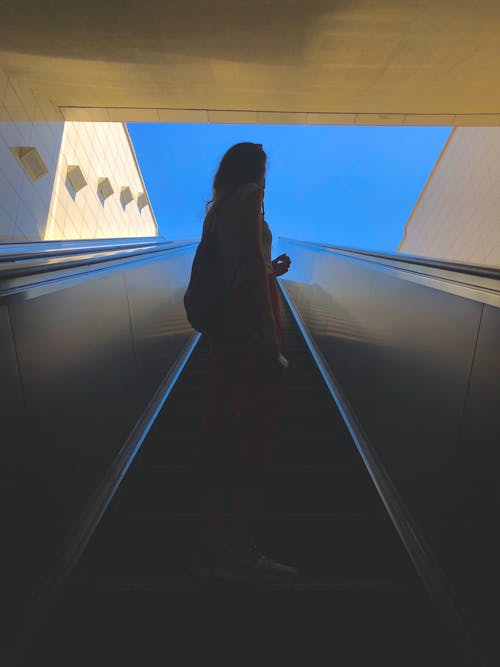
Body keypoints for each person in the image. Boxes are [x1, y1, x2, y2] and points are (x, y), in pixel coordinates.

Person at [190, 142, 298, 582]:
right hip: (251, 331)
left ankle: (218, 546)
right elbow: (250, 264)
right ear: (256, 169)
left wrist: (271, 269)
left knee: (224, 435)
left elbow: (242, 264)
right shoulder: (252, 195)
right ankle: (239, 549)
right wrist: (270, 336)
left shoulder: (216, 211)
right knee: (255, 435)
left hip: (226, 336)